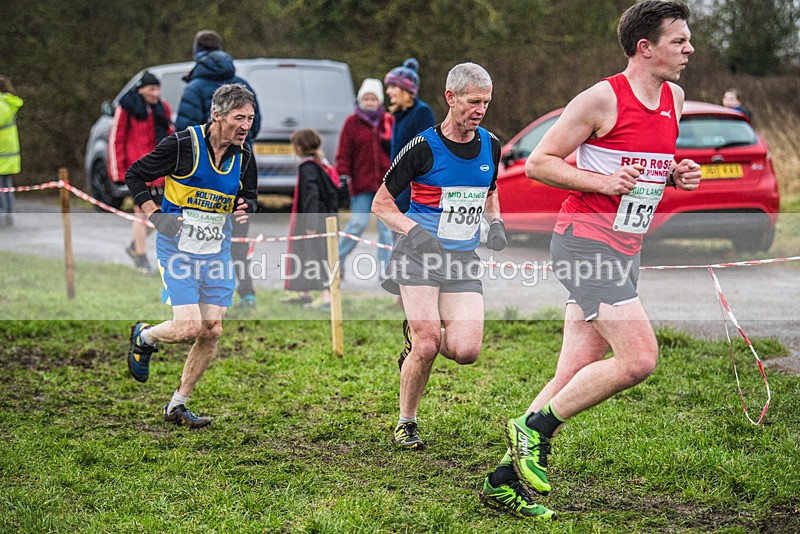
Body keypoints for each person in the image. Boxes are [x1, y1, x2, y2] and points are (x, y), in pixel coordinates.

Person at [485, 0, 702, 521]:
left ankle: (502, 482)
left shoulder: (674, 96)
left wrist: (674, 173)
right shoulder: (600, 98)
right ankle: (533, 431)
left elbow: (644, 158)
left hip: (626, 247)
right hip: (584, 243)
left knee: (574, 371)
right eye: (680, 40)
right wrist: (601, 183)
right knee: (639, 359)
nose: (690, 48)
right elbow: (540, 163)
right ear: (644, 48)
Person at [372, 62, 507, 452]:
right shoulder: (421, 147)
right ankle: (406, 422)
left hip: (462, 258)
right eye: (473, 101)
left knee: (467, 350)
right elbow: (382, 205)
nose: (480, 110)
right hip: (417, 255)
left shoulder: (491, 145)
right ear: (451, 98)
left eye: (486, 102)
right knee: (429, 343)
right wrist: (415, 232)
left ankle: (415, 341)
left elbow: (490, 189)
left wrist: (495, 223)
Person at [124, 83, 258, 428]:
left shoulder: (244, 156)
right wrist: (158, 217)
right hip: (178, 249)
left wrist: (246, 208)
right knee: (188, 327)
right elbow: (135, 174)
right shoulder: (183, 144)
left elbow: (250, 197)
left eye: (250, 118)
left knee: (212, 330)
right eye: (238, 118)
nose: (246, 126)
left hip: (217, 251)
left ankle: (177, 405)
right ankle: (145, 336)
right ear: (217, 116)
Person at [176, 29, 262, 309]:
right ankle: (246, 293)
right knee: (238, 232)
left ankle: (205, 296)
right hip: (240, 166)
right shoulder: (242, 84)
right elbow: (255, 126)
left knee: (201, 237)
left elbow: (184, 133)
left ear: (196, 53)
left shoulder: (194, 87)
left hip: (203, 174)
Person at [109, 71, 174, 273]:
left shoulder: (162, 109)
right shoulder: (127, 108)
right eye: (151, 89)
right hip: (137, 171)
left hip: (160, 172)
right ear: (141, 89)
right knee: (141, 213)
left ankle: (135, 246)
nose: (155, 93)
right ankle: (142, 258)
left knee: (160, 215)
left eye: (158, 89)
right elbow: (116, 139)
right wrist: (118, 172)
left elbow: (171, 136)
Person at [335, 78, 394, 278]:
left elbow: (397, 148)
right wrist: (343, 173)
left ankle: (386, 270)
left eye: (373, 99)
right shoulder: (352, 122)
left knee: (385, 229)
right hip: (361, 183)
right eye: (366, 98)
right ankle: (336, 260)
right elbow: (344, 151)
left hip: (385, 184)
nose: (369, 102)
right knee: (358, 224)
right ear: (360, 100)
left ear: (380, 101)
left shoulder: (388, 121)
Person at [282, 128, 340, 310]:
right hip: (324, 220)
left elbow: (311, 196)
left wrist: (310, 223)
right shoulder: (321, 165)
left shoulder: (308, 168)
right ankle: (303, 293)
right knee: (304, 255)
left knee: (315, 257)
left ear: (300, 147)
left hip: (312, 221)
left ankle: (326, 299)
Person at [384, 58, 435, 214]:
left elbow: (425, 153)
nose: (388, 92)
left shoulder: (421, 112)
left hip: (412, 193)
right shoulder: (399, 116)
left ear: (405, 89)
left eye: (392, 86)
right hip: (398, 189)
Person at [0, 75, 23, 227]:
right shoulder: (8, 102)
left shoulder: (2, 105)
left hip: (3, 154)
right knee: (6, 185)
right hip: (8, 153)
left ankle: (4, 214)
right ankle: (7, 214)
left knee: (3, 186)